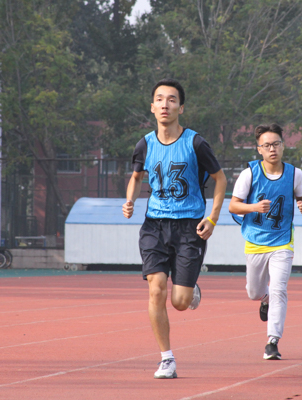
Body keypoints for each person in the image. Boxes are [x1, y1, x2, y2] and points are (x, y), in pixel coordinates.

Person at [122, 79, 227, 379]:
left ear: (181, 107)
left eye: (171, 99)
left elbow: (220, 179)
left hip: (189, 228)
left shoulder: (196, 143)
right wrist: (130, 201)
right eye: (159, 99)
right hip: (154, 226)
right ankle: (166, 358)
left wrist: (213, 218)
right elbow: (136, 177)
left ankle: (190, 289)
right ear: (152, 107)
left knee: (179, 302)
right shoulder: (144, 144)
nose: (165, 105)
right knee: (156, 289)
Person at [228, 123, 302, 360]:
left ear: (283, 146)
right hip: (255, 240)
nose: (272, 149)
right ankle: (264, 299)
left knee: (279, 288)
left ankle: (272, 341)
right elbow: (233, 206)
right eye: (267, 145)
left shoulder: (295, 174)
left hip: (283, 241)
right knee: (254, 292)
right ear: (259, 149)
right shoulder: (250, 173)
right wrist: (254, 207)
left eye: (276, 144)